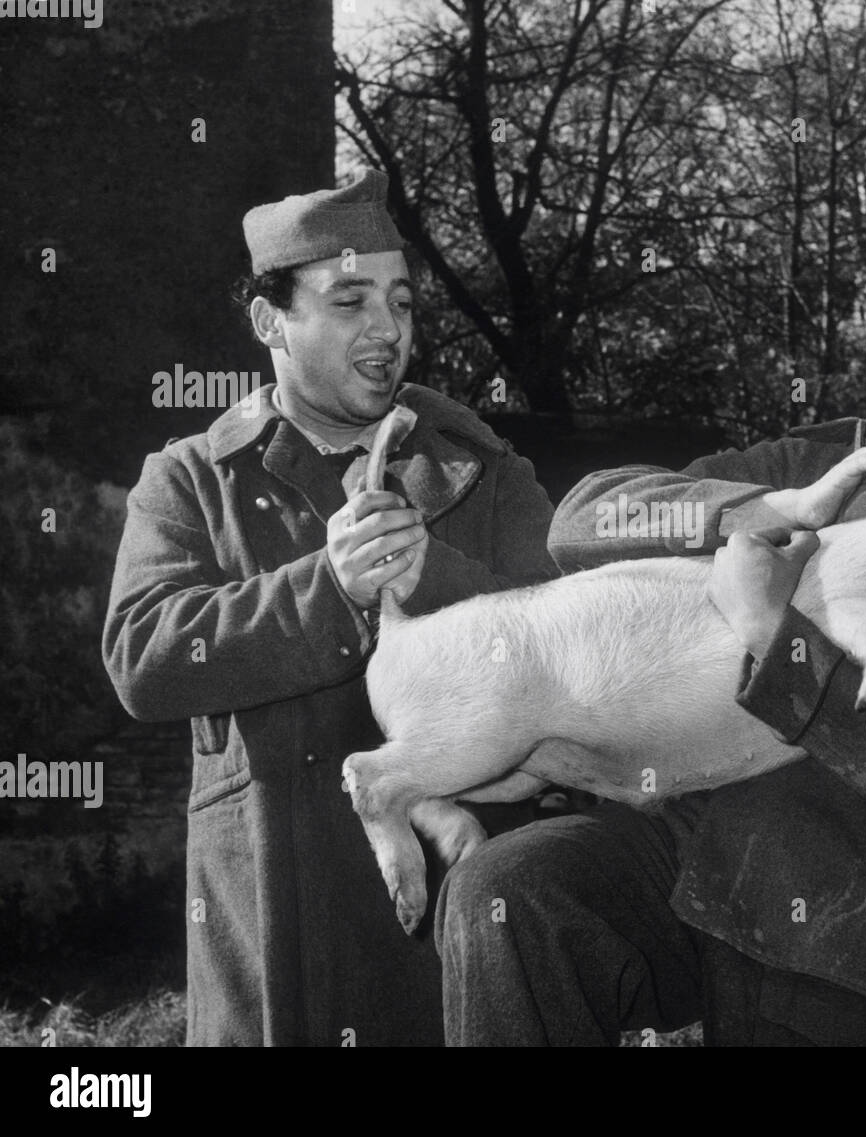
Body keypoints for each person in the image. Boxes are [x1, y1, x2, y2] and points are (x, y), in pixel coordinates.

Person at [435, 213, 866, 1046]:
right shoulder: (817, 464)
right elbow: (583, 518)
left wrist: (774, 630)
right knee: (515, 892)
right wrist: (772, 511)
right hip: (686, 849)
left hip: (858, 925)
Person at [102, 169, 557, 1045]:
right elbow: (142, 657)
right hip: (273, 920)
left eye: (402, 302)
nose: (388, 329)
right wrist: (330, 586)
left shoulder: (480, 469)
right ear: (271, 321)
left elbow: (561, 638)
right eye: (350, 300)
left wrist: (433, 576)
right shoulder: (192, 479)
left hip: (460, 918)